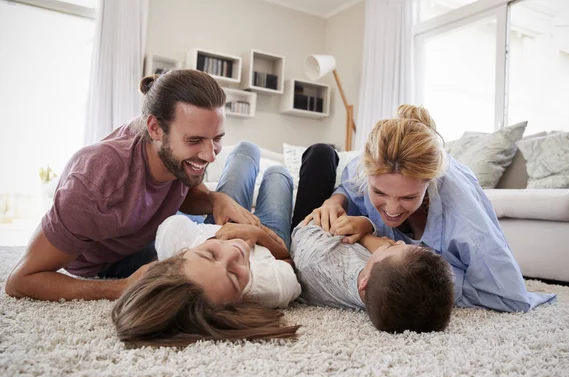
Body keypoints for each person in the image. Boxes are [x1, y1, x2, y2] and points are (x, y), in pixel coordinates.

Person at [6, 70, 260, 301]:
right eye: (195, 140)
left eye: (216, 138)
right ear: (155, 128)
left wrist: (216, 199)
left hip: (150, 227)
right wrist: (122, 287)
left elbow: (184, 190)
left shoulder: (178, 151)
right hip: (110, 263)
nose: (210, 155)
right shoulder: (93, 184)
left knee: (246, 158)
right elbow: (21, 280)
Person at [299, 105, 556, 313]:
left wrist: (379, 245)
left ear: (430, 182)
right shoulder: (363, 167)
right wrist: (336, 200)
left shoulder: (464, 215)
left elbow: (509, 296)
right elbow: (349, 187)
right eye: (378, 192)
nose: (391, 209)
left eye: (408, 197)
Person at [112, 162, 301, 346]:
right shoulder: (272, 287)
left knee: (244, 155)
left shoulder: (175, 239)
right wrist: (258, 233)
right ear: (239, 303)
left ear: (179, 255)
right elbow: (288, 257)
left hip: (219, 226)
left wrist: (216, 202)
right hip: (268, 236)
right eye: (234, 276)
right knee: (277, 173)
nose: (234, 252)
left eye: (210, 253)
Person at [291, 144, 454, 333]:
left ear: (365, 281)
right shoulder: (383, 289)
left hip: (305, 231)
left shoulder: (322, 259)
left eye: (391, 248)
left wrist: (366, 233)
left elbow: (304, 230)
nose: (399, 241)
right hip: (338, 235)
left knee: (318, 155)